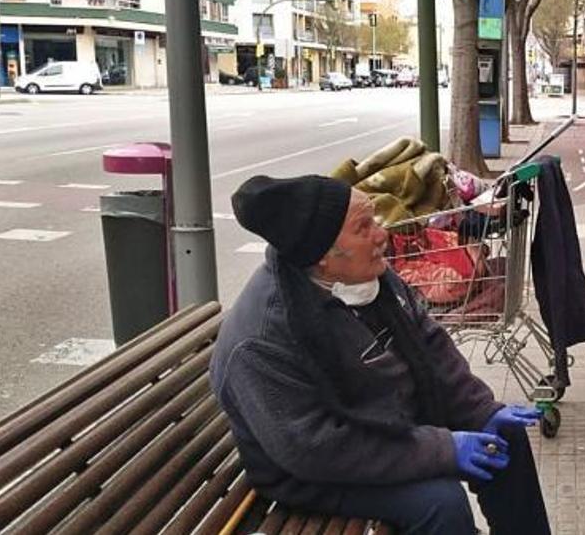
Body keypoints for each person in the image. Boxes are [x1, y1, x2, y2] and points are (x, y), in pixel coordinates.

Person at [210, 175, 552, 534]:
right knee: (440, 501)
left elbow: (431, 347)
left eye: (374, 219)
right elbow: (314, 449)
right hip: (310, 471)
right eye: (363, 227)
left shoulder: (370, 279)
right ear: (323, 256)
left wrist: (481, 410)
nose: (381, 234)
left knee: (504, 439)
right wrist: (442, 449)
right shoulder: (262, 339)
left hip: (380, 421)